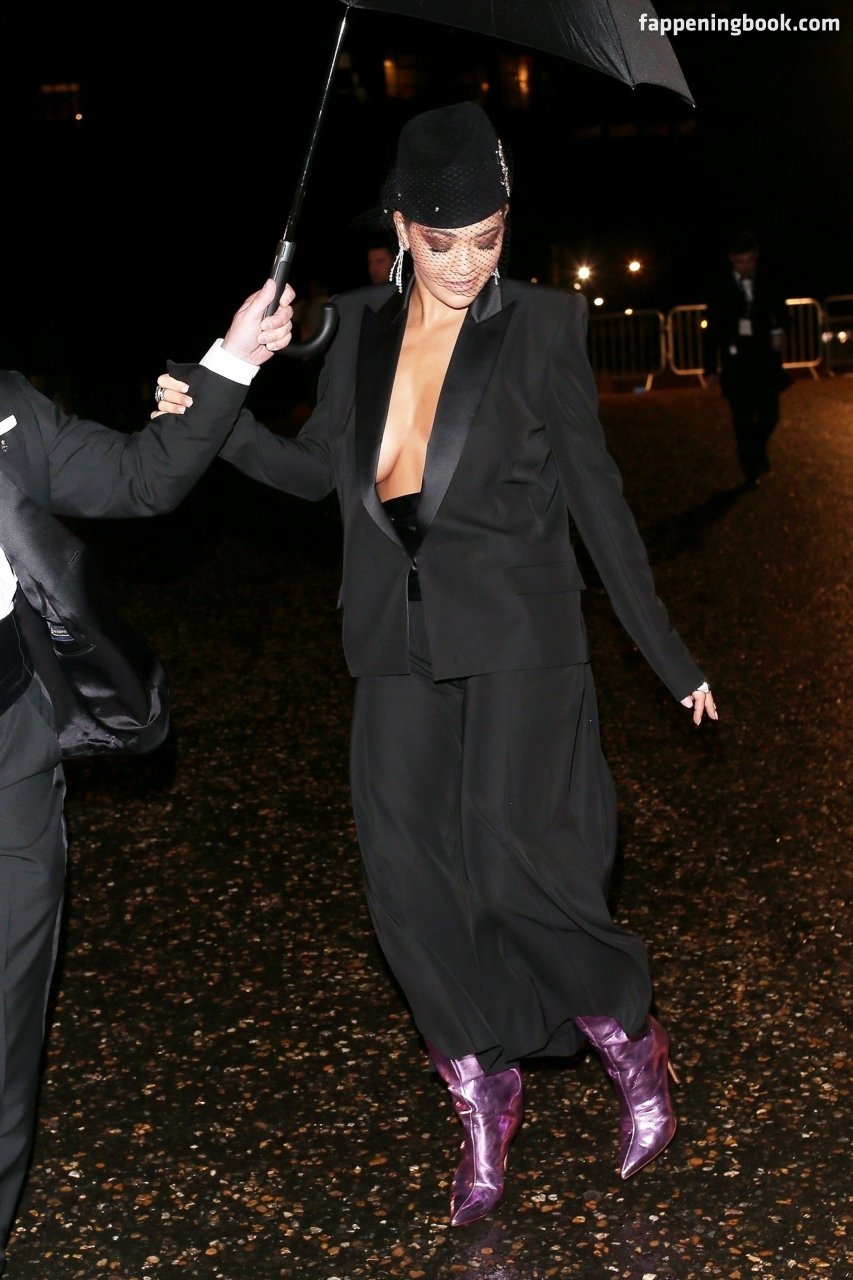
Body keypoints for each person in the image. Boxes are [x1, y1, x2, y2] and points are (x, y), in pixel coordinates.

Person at [156, 102, 718, 1229]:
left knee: (515, 870)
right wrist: (214, 415)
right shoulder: (362, 327)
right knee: (404, 882)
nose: (466, 264)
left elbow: (602, 510)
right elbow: (318, 474)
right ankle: (481, 1082)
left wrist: (667, 653)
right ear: (401, 228)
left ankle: (629, 1038)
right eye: (443, 240)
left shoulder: (544, 328)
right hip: (393, 641)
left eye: (488, 239)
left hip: (519, 638)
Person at [0, 279, 294, 1276]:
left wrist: (233, 357)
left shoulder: (10, 409)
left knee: (5, 1039)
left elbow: (141, 477)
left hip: (10, 756)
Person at [703, 229, 790, 488]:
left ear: (756, 256)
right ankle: (750, 470)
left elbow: (783, 313)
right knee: (741, 419)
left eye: (750, 260)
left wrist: (780, 330)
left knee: (770, 414)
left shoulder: (768, 280)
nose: (746, 266)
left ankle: (755, 449)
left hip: (764, 358)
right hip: (735, 361)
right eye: (741, 261)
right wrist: (710, 369)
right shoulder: (720, 287)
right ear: (732, 259)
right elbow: (712, 331)